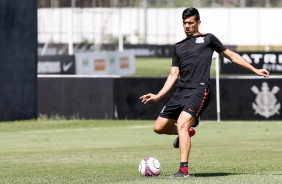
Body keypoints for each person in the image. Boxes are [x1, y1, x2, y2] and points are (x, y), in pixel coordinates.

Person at [139, 7, 269, 178]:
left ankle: (183, 171)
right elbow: (173, 74)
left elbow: (231, 56)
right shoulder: (178, 47)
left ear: (198, 23)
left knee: (183, 123)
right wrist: (159, 95)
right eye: (184, 23)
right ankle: (187, 133)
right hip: (181, 92)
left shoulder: (208, 39)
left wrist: (254, 69)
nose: (187, 26)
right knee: (159, 127)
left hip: (200, 90)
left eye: (190, 23)